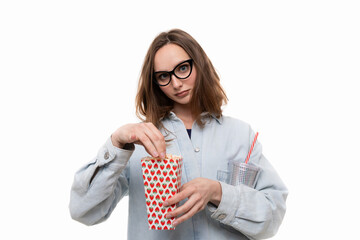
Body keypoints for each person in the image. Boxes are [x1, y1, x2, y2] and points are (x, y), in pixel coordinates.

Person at [69, 29, 288, 240]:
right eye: (164, 76)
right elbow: (83, 211)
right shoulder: (138, 143)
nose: (175, 83)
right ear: (155, 82)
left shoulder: (241, 136)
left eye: (183, 68)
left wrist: (218, 192)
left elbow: (273, 216)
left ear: (199, 64)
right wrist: (116, 143)